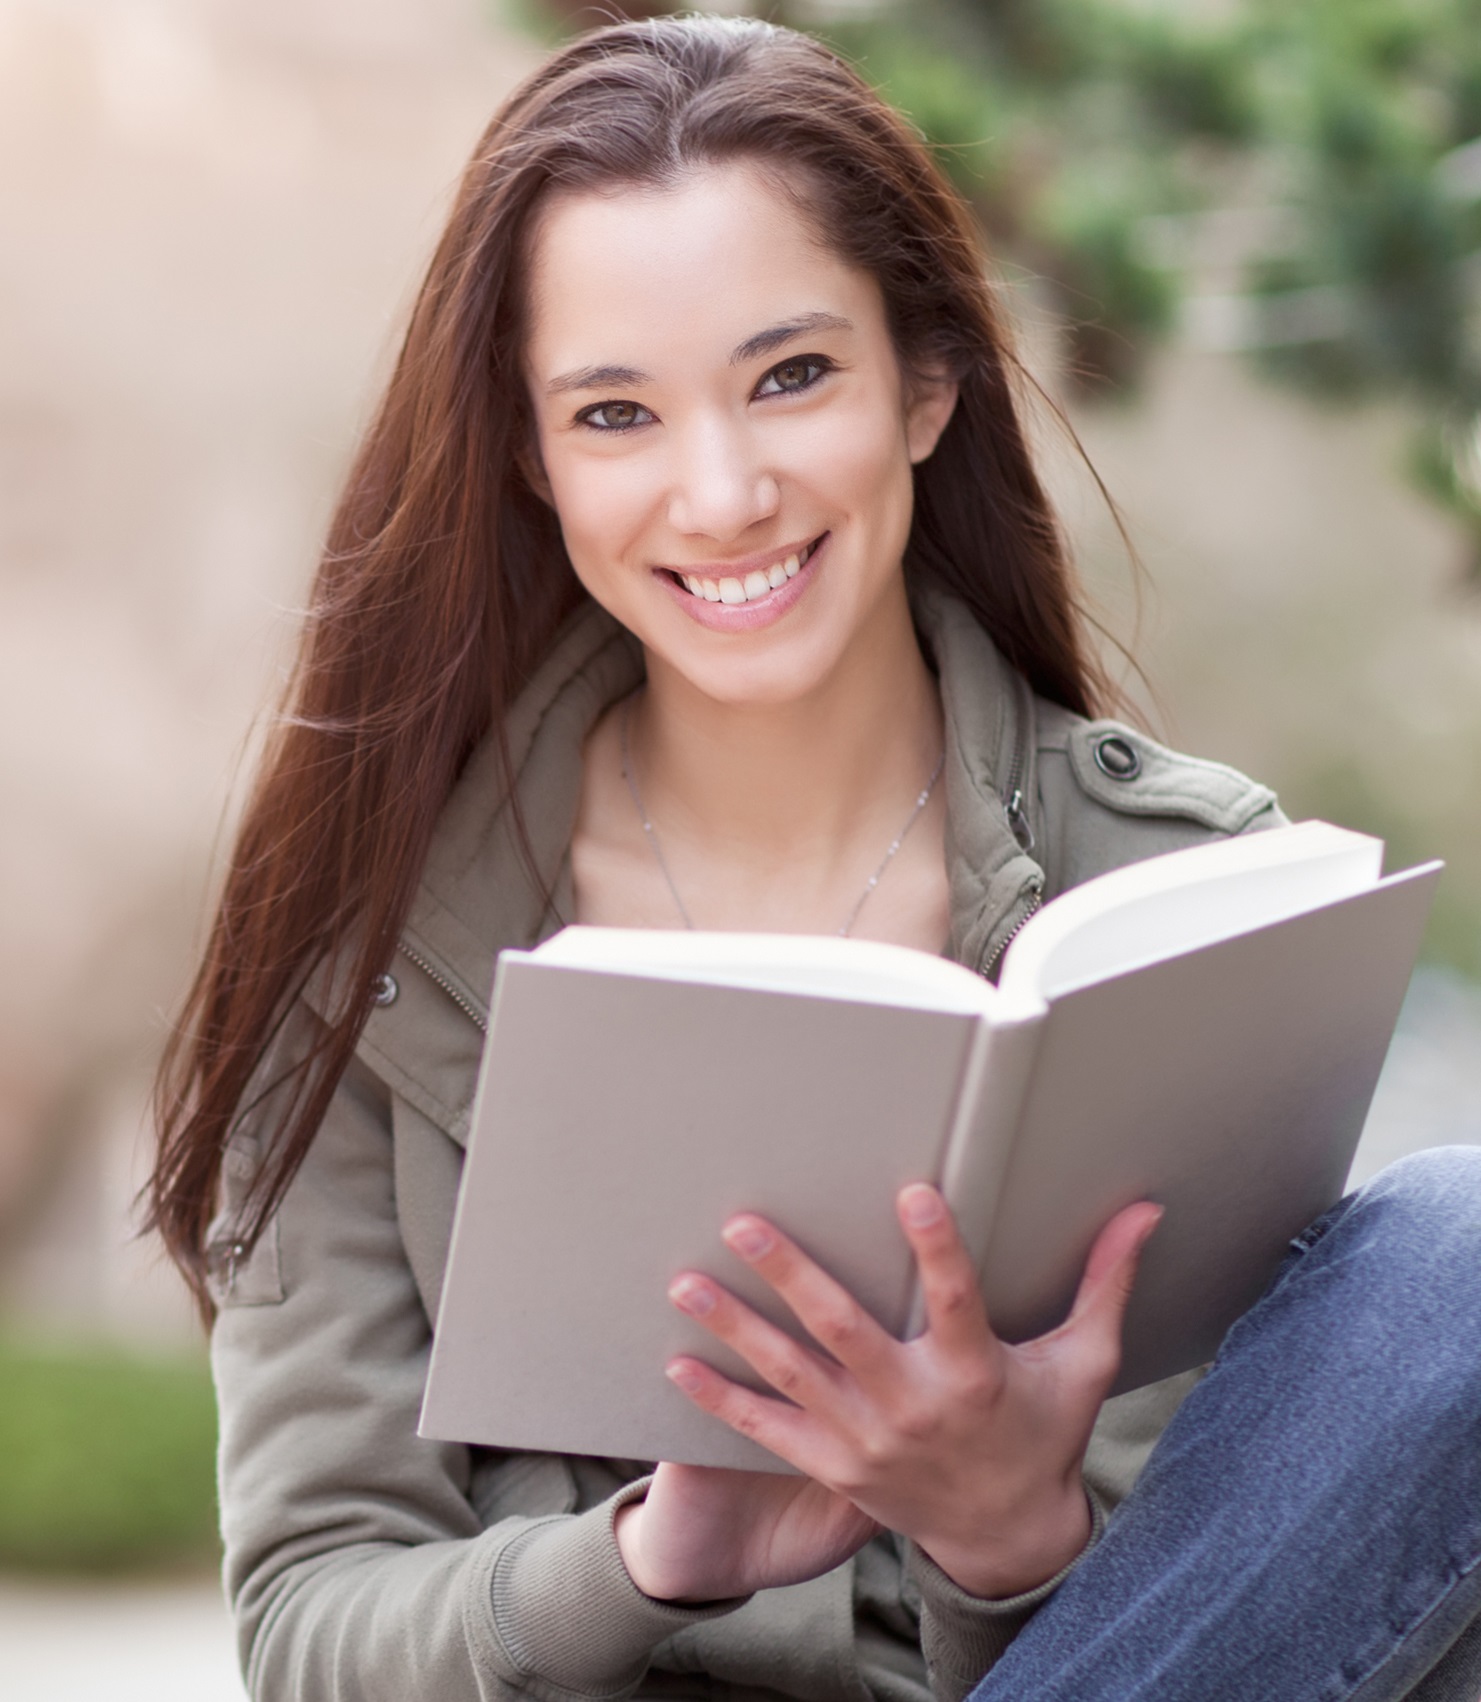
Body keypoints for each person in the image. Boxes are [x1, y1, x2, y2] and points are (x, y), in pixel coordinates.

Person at [148, 16, 1481, 1702]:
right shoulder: (373, 951)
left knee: (1454, 1265)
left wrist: (1009, 1535)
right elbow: (312, 1626)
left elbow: (1254, 1616)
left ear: (925, 383)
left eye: (791, 377)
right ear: (529, 461)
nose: (720, 493)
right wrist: (647, 1557)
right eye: (616, 413)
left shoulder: (1171, 894)